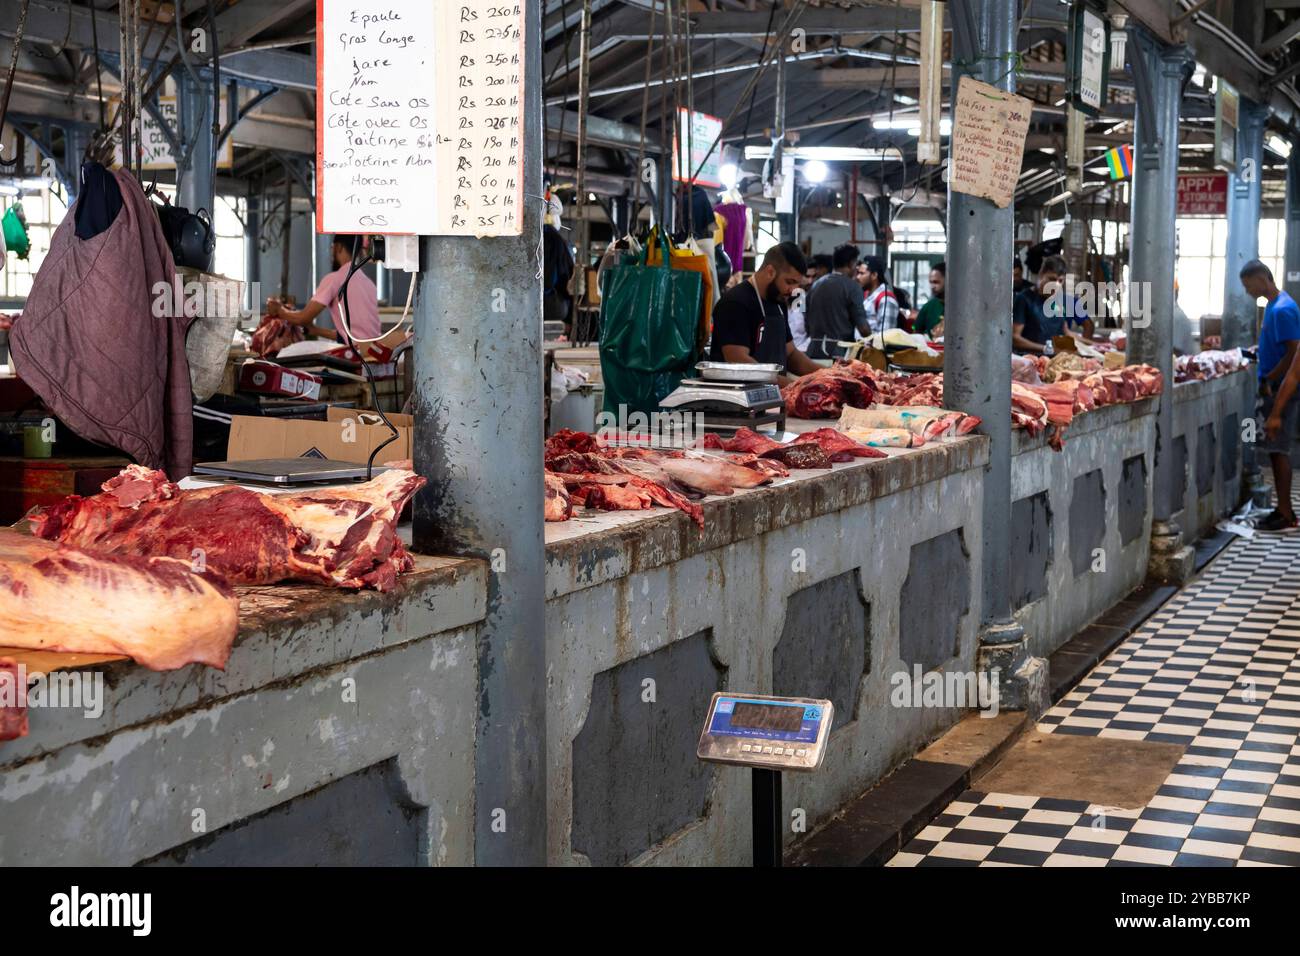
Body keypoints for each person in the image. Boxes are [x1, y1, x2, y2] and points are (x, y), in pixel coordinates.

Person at [708, 241, 821, 384]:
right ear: (770, 271)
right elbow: (739, 361)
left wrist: (827, 375)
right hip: (740, 401)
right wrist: (793, 387)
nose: (793, 290)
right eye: (789, 282)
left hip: (772, 397)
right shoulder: (735, 303)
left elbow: (790, 354)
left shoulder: (778, 302)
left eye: (797, 284)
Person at [1242, 260, 1300, 532]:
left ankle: (1286, 514)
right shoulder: (1274, 307)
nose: (1247, 290)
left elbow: (1292, 354)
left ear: (1263, 278)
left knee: (1278, 450)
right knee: (1274, 451)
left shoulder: (1283, 309)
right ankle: (1283, 510)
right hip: (1274, 385)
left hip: (1280, 389)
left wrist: (1270, 379)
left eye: (1248, 284)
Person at [268, 235, 381, 343]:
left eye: (331, 248)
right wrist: (315, 330)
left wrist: (279, 310)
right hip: (373, 354)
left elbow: (303, 318)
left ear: (338, 247)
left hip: (355, 355)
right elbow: (354, 337)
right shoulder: (369, 283)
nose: (331, 253)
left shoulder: (334, 279)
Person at [1012, 255, 1091, 353]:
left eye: (1060, 281)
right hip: (1031, 360)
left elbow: (1066, 333)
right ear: (1041, 274)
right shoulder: (1024, 299)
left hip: (1056, 359)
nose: (1056, 284)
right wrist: (1047, 349)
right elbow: (1015, 338)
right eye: (1052, 279)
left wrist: (1094, 345)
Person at [804, 243, 870, 359]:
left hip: (813, 351)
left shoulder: (815, 285)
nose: (856, 268)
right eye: (856, 264)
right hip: (839, 354)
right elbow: (863, 329)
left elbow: (806, 322)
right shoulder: (852, 287)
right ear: (851, 263)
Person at [859, 255, 899, 334]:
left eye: (862, 273)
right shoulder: (866, 295)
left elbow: (884, 337)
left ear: (874, 275)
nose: (858, 277)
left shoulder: (886, 300)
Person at [914, 262, 945, 338]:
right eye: (930, 282)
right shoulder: (928, 307)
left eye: (936, 282)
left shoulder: (960, 308)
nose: (932, 286)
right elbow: (915, 329)